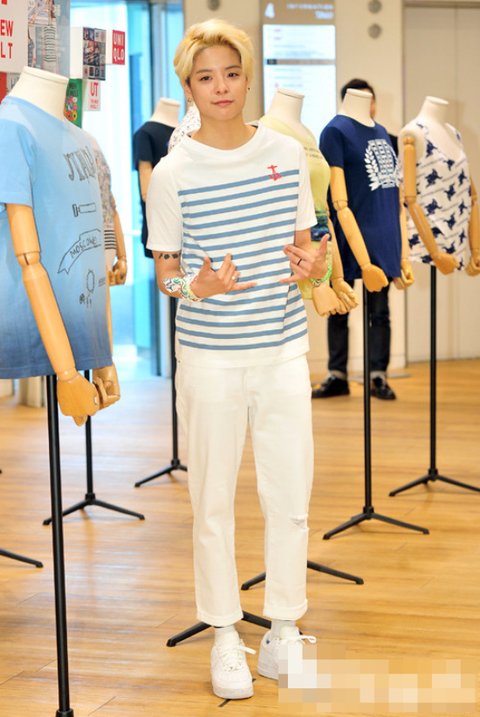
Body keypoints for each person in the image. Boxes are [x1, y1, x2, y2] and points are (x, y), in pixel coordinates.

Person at [146, 19, 327, 701]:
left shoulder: (285, 152)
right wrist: (196, 287)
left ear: (247, 78)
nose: (220, 87)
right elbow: (165, 276)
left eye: (230, 73)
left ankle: (283, 628)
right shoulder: (173, 172)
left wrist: (315, 265)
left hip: (282, 351)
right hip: (210, 361)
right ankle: (225, 633)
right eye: (205, 77)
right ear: (189, 86)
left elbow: (308, 250)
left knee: (290, 497)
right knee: (212, 501)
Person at [312, 78, 399, 400]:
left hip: (381, 235)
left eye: (373, 98)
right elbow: (332, 190)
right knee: (340, 306)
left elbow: (392, 192)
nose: (370, 103)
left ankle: (378, 375)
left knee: (380, 311)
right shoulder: (335, 132)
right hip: (347, 234)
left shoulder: (383, 133)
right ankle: (337, 374)